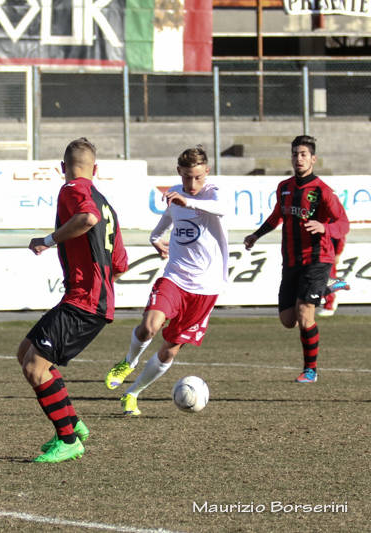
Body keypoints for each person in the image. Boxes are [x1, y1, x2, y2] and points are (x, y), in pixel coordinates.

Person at [19, 137, 128, 463]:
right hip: (88, 300)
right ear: (95, 169)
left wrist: (48, 240)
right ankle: (72, 423)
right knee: (26, 353)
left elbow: (87, 218)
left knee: (35, 368)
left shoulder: (72, 189)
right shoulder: (106, 202)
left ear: (62, 168)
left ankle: (68, 440)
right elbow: (120, 264)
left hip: (85, 302)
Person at [104, 146, 229, 415]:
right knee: (150, 326)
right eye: (186, 177)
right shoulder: (176, 195)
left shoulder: (212, 193)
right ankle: (128, 361)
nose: (191, 183)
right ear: (179, 173)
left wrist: (189, 201)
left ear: (206, 172)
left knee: (170, 350)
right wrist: (154, 240)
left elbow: (221, 209)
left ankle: (133, 393)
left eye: (197, 177)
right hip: (175, 277)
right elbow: (163, 224)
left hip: (206, 289)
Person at [243, 135, 350, 383]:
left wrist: (325, 228)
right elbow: (276, 215)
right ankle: (328, 286)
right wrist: (256, 235)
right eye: (295, 154)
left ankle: (310, 370)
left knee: (305, 315)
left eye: (303, 154)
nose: (298, 158)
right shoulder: (284, 187)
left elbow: (343, 223)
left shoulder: (323, 191)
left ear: (313, 158)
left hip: (317, 258)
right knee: (287, 320)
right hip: (291, 260)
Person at [318, 234, 349, 317]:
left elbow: (340, 236)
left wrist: (338, 253)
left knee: (329, 279)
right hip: (315, 253)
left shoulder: (331, 222)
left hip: (327, 254)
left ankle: (330, 305)